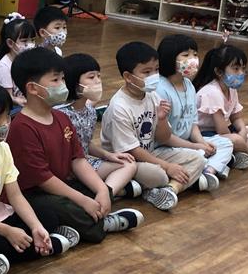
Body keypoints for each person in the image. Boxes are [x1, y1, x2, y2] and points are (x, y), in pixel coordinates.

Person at [6, 47, 144, 244]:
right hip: (36, 193)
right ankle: (100, 224)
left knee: (98, 190)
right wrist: (82, 200)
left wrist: (101, 190)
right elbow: (43, 180)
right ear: (33, 88)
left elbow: (78, 159)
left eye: (62, 79)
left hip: (63, 183)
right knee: (58, 208)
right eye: (55, 80)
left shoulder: (61, 117)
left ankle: (84, 222)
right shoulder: (22, 127)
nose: (62, 85)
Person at [0, 82, 81, 270]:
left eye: (7, 116)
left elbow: (16, 196)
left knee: (47, 215)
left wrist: (36, 227)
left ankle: (35, 241)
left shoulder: (3, 148)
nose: (4, 123)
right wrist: (7, 231)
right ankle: (46, 245)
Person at [100, 41, 209, 212]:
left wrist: (162, 119)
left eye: (156, 70)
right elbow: (133, 151)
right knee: (159, 175)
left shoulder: (151, 95)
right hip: (127, 161)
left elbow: (164, 138)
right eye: (146, 72)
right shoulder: (119, 107)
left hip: (150, 153)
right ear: (128, 76)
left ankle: (170, 189)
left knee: (198, 159)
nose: (154, 76)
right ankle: (144, 186)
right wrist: (167, 166)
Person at [60, 52, 142, 200]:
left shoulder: (90, 111)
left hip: (86, 162)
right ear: (74, 81)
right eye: (91, 77)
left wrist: (108, 155)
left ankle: (105, 194)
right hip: (68, 169)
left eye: (99, 76)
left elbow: (85, 143)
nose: (97, 81)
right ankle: (104, 193)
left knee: (128, 164)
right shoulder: (61, 114)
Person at [155, 34, 234, 181]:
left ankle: (208, 170)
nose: (192, 59)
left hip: (187, 143)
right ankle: (211, 167)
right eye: (186, 55)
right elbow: (164, 138)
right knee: (197, 155)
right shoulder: (160, 88)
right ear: (169, 58)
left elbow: (192, 124)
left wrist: (202, 143)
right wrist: (196, 147)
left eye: (195, 54)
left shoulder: (189, 85)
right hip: (165, 147)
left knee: (225, 143)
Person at [195, 44, 248, 167]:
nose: (241, 73)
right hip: (205, 135)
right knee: (236, 139)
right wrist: (239, 138)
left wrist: (242, 130)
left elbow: (236, 117)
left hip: (222, 132)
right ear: (219, 72)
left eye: (243, 69)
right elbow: (222, 131)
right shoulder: (212, 92)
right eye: (236, 69)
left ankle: (236, 153)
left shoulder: (231, 89)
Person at [0, 13, 38, 108]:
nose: (30, 45)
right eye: (24, 41)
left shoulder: (28, 60)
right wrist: (20, 101)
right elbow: (8, 97)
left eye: (32, 40)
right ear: (10, 43)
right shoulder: (4, 67)